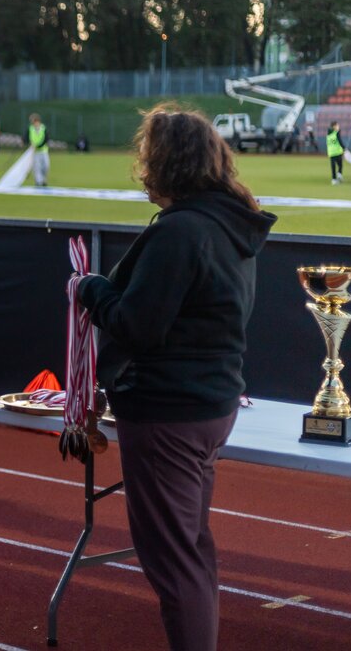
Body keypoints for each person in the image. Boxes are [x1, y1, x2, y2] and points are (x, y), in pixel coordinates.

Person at [77, 106, 276, 651]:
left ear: (167, 163)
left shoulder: (182, 230)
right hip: (210, 403)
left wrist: (92, 290)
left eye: (148, 156)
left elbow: (139, 326)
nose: (142, 168)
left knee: (173, 559)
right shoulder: (230, 221)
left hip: (168, 410)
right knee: (190, 547)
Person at [27, 113, 50, 186]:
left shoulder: (43, 128)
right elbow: (26, 138)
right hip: (35, 152)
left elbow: (46, 139)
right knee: (37, 167)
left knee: (46, 166)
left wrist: (38, 146)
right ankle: (38, 181)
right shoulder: (30, 129)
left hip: (43, 151)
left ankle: (44, 180)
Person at [327, 120, 344, 185]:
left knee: (333, 166)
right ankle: (339, 175)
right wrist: (344, 148)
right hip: (337, 152)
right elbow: (340, 141)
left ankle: (334, 179)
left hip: (331, 152)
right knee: (340, 165)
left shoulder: (328, 134)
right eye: (337, 125)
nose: (338, 126)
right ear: (334, 126)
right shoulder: (336, 133)